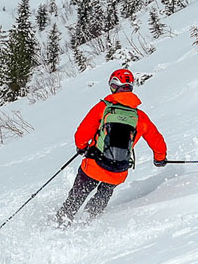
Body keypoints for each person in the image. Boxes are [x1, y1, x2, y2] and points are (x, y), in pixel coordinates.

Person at [55, 68, 167, 225]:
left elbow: (82, 133)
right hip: (118, 170)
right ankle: (89, 223)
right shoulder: (139, 117)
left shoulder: (103, 108)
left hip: (93, 165)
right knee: (105, 192)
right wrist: (160, 159)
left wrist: (81, 147)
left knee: (77, 196)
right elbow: (157, 140)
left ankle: (61, 223)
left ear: (114, 86)